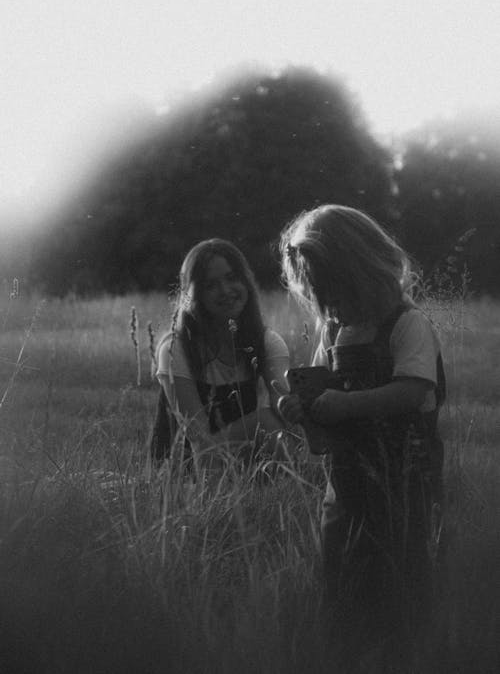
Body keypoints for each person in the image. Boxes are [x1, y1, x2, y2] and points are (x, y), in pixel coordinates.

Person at [276, 204, 446, 647]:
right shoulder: (334, 330)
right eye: (321, 296)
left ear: (365, 270)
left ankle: (403, 644)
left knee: (401, 559)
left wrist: (348, 405)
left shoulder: (406, 325)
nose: (330, 305)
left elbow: (412, 390)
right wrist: (300, 406)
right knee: (343, 553)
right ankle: (346, 638)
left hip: (403, 473)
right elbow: (320, 388)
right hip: (347, 475)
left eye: (335, 291)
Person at [151, 238, 290, 468]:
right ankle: (305, 483)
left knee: (282, 422)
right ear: (194, 296)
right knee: (265, 421)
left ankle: (306, 483)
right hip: (185, 470)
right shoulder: (176, 349)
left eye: (231, 278)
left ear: (246, 282)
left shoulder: (267, 342)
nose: (225, 291)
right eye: (210, 285)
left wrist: (296, 408)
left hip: (242, 463)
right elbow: (200, 440)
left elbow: (284, 410)